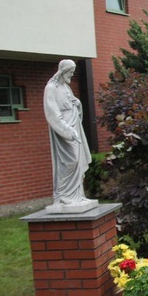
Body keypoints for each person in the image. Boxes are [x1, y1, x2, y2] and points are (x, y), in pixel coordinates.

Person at [43, 59, 95, 211]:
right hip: (64, 129)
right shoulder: (51, 88)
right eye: (70, 72)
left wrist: (77, 104)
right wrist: (67, 130)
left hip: (74, 126)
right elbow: (52, 113)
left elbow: (71, 103)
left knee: (79, 161)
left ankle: (77, 195)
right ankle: (64, 197)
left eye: (73, 73)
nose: (71, 75)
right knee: (70, 160)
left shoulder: (66, 87)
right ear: (63, 71)